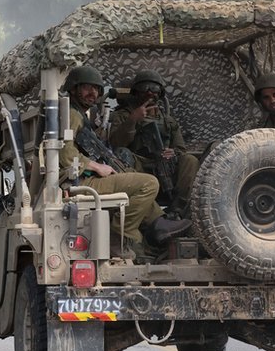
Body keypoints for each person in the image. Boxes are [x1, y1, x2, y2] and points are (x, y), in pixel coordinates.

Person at [59, 65, 190, 259]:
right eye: (86, 87)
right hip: (79, 181)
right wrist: (96, 166)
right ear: (73, 88)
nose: (92, 93)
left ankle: (159, 224)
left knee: (134, 176)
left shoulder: (78, 114)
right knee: (148, 183)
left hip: (84, 177)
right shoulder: (72, 114)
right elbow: (66, 154)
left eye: (96, 89)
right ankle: (120, 236)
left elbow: (181, 148)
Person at [108, 70, 199, 217]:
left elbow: (180, 149)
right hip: (138, 166)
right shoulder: (123, 116)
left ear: (160, 93)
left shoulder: (168, 121)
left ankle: (178, 210)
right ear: (136, 92)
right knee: (122, 154)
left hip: (165, 166)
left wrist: (173, 152)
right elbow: (116, 144)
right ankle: (152, 214)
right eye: (145, 88)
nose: (150, 93)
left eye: (155, 89)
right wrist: (133, 120)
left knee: (190, 160)